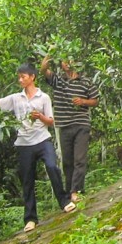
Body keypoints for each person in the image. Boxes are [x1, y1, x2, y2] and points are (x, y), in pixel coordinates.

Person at [0, 63, 75, 232]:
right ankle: (30, 218)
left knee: (52, 166)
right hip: (23, 143)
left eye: (23, 77)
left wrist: (40, 117)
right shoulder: (16, 98)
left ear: (32, 77)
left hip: (43, 139)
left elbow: (51, 121)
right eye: (19, 77)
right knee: (27, 180)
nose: (20, 80)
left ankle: (64, 202)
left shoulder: (44, 97)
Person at [40, 53, 100, 205]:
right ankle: (69, 191)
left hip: (81, 124)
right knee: (67, 161)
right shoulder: (58, 81)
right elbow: (45, 72)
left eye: (69, 61)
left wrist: (83, 101)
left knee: (79, 159)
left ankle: (76, 191)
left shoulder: (86, 81)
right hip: (64, 125)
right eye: (63, 61)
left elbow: (95, 100)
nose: (66, 63)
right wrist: (45, 63)